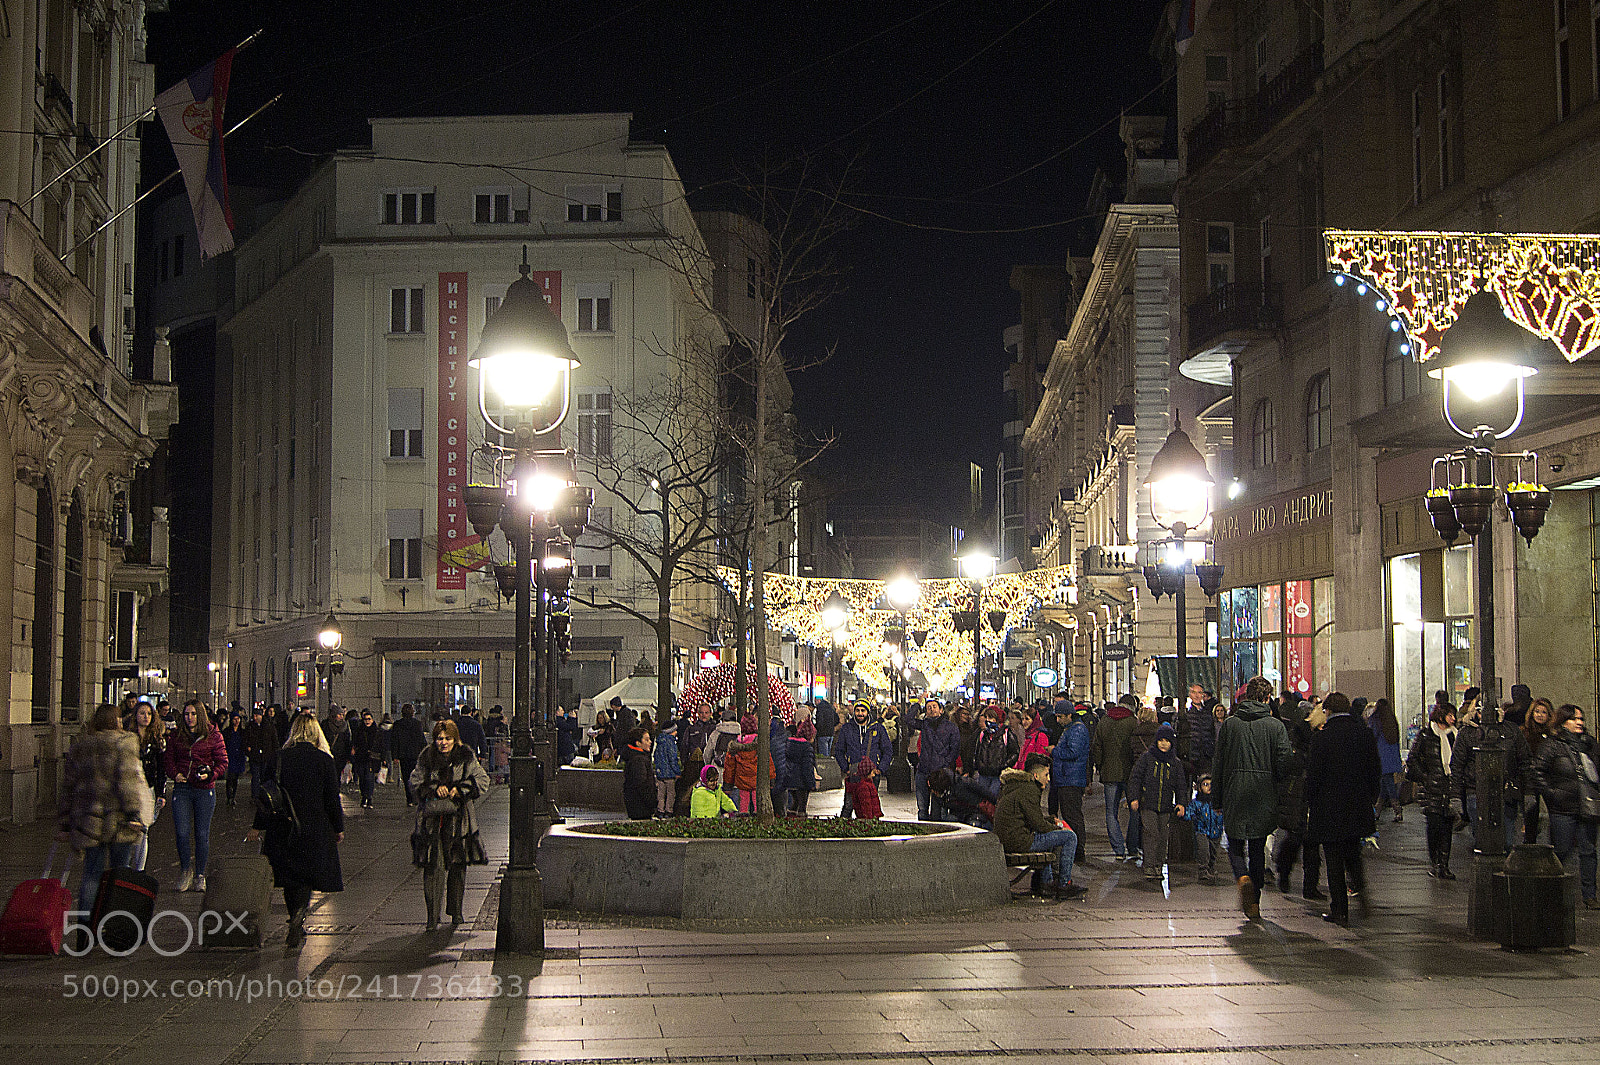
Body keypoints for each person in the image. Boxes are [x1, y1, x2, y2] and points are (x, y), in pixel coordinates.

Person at [248, 712, 344, 949]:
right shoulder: (324, 760)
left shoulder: (279, 758)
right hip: (314, 825)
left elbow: (267, 795)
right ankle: (299, 915)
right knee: (307, 875)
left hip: (283, 825)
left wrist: (258, 825)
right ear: (315, 732)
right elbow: (332, 798)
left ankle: (295, 916)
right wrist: (338, 828)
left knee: (290, 877)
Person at [59, 704, 153, 919]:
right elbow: (127, 783)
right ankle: (115, 924)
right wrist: (133, 814)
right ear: (115, 720)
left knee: (91, 875)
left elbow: (68, 787)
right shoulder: (124, 743)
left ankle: (85, 930)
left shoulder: (81, 746)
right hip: (118, 821)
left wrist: (64, 823)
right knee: (120, 874)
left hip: (88, 822)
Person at [1213, 676, 1294, 919]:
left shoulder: (1230, 724)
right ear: (1268, 698)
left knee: (1235, 844)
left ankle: (1243, 877)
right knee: (1258, 846)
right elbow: (1284, 763)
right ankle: (1254, 900)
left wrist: (1217, 798)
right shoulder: (1275, 726)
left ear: (1246, 696)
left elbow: (1219, 764)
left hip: (1234, 789)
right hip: (1263, 791)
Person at [1306, 692, 1381, 925]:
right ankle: (1362, 893)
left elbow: (1314, 776)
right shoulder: (1364, 734)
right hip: (1357, 805)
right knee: (1353, 854)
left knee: (1334, 860)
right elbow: (1374, 769)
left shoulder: (1321, 738)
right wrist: (1371, 797)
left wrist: (1311, 802)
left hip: (1329, 808)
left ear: (1327, 711)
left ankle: (1339, 909)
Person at [409, 720, 490, 930]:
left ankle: (456, 911)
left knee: (457, 867)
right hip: (432, 823)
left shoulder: (465, 756)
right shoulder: (426, 757)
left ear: (455, 739)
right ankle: (431, 917)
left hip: (459, 822)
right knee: (432, 868)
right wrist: (433, 789)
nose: (443, 743)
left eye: (447, 739)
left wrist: (460, 790)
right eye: (439, 739)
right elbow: (415, 782)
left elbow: (482, 780)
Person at [1531, 704, 1600, 909]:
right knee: (1561, 850)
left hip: (1587, 806)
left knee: (1588, 852)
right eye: (1574, 719)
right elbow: (1537, 771)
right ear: (1562, 722)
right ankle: (1551, 892)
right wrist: (1552, 795)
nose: (1579, 723)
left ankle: (1589, 895)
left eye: (1581, 719)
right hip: (1563, 808)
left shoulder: (1589, 744)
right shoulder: (1553, 745)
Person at [994, 753, 1087, 900]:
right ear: (1036, 776)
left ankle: (1046, 882)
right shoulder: (1029, 790)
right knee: (1070, 837)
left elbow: (1031, 818)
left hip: (1010, 839)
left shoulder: (1019, 786)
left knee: (1049, 838)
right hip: (1020, 841)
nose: (1049, 779)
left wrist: (1050, 820)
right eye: (1046, 774)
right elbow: (1038, 825)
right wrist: (1059, 828)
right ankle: (1064, 884)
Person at [164, 700, 228, 893]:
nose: (189, 718)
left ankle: (200, 874)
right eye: (186, 714)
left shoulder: (213, 735)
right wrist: (175, 773)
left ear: (200, 715)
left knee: (202, 834)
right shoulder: (177, 736)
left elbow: (222, 761)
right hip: (183, 788)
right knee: (182, 832)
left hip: (204, 789)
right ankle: (186, 870)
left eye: (193, 714)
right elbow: (169, 759)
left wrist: (212, 774)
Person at [1453, 699, 1530, 850]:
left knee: (1507, 841)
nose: (1485, 716)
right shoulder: (1467, 733)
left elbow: (1525, 761)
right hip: (1475, 790)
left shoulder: (1510, 730)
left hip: (1506, 791)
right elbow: (1457, 765)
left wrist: (1528, 792)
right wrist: (1456, 795)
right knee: (1483, 840)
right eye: (1481, 712)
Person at [1274, 699, 1325, 901]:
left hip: (1304, 794)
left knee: (1309, 843)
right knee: (1297, 839)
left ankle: (1306, 884)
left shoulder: (1307, 736)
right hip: (1299, 795)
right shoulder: (1304, 738)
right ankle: (1288, 874)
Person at [1128, 723, 1188, 886]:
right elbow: (1136, 778)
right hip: (1148, 803)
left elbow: (1181, 785)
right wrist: (1134, 797)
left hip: (1166, 805)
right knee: (1151, 833)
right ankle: (1149, 865)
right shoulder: (1147, 758)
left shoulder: (1175, 763)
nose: (1163, 744)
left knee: (1163, 836)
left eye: (1167, 741)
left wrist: (1182, 803)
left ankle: (1158, 865)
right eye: (1160, 740)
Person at [1405, 702, 1459, 879]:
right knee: (1434, 825)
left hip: (1449, 787)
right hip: (1431, 788)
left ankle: (1444, 865)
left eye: (1454, 715)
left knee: (1447, 826)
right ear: (1441, 715)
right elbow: (1412, 759)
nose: (1453, 718)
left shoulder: (1455, 736)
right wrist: (1425, 778)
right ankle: (1435, 863)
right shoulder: (1426, 735)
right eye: (1450, 715)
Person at [1091, 694, 1138, 860]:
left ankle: (1118, 849)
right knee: (1135, 809)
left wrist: (1100, 765)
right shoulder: (1133, 722)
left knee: (1111, 812)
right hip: (1129, 773)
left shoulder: (1104, 721)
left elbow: (1097, 746)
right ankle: (1132, 846)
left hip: (1109, 772)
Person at [1050, 702, 1092, 863]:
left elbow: (1073, 752)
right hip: (1066, 778)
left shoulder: (1077, 730)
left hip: (1071, 779)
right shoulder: (1071, 729)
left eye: (1060, 716)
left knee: (1073, 816)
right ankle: (1074, 849)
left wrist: (1054, 750)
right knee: (1069, 815)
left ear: (1069, 715)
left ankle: (1078, 850)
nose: (1058, 720)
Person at [834, 702, 892, 817]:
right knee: (848, 805)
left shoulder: (877, 728)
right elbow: (839, 751)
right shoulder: (847, 728)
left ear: (867, 712)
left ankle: (870, 828)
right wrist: (846, 768)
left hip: (871, 773)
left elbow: (887, 750)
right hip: (854, 772)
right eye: (857, 710)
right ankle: (844, 829)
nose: (860, 713)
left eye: (863, 711)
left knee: (869, 804)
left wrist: (880, 769)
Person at [128, 699, 166, 871]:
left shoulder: (156, 740)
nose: (146, 717)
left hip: (148, 788)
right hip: (131, 789)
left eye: (149, 713)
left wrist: (161, 792)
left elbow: (160, 768)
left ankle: (140, 869)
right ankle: (127, 866)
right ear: (135, 715)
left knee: (144, 831)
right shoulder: (128, 738)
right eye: (142, 713)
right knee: (130, 830)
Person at [913, 699, 961, 821]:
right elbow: (908, 719)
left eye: (934, 706)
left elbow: (955, 748)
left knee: (938, 808)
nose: (932, 709)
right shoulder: (924, 725)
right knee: (922, 808)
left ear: (940, 710)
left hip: (940, 772)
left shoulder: (951, 727)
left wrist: (944, 763)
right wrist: (917, 703)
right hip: (923, 770)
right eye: (929, 707)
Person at [1523, 699, 1555, 843]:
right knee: (1531, 813)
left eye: (1544, 712)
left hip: (1550, 778)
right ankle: (1530, 842)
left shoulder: (1554, 735)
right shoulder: (1524, 733)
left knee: (1554, 812)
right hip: (1530, 779)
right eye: (1537, 712)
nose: (1540, 715)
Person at [1182, 774, 1225, 881]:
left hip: (1216, 831)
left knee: (1213, 852)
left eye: (1211, 785)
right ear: (1200, 788)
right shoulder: (1196, 803)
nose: (1209, 787)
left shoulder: (1217, 803)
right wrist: (1183, 814)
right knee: (1203, 851)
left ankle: (1210, 867)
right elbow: (1189, 813)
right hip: (1202, 831)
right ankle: (1203, 870)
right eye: (1205, 785)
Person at [1368, 698, 1404, 823]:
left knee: (1387, 782)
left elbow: (1372, 735)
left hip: (1381, 755)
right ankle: (1378, 810)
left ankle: (1397, 810)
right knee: (1385, 783)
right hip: (1392, 755)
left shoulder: (1375, 720)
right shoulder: (1392, 720)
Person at [389, 704, 428, 807]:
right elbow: (422, 740)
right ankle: (415, 797)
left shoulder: (398, 724)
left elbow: (394, 741)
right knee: (416, 775)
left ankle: (409, 798)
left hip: (403, 755)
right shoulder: (417, 724)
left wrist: (395, 756)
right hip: (415, 754)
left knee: (406, 777)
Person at [349, 709, 387, 809]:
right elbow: (354, 742)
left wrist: (383, 758)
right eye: (365, 719)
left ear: (372, 720)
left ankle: (369, 798)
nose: (367, 721)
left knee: (369, 778)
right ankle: (364, 796)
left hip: (372, 758)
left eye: (369, 719)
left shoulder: (377, 731)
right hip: (361, 757)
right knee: (362, 778)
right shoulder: (359, 731)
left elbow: (382, 746)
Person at [243, 704, 279, 799]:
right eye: (254, 716)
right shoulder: (250, 727)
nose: (255, 718)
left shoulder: (269, 726)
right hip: (254, 756)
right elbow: (245, 740)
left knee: (264, 777)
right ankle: (255, 796)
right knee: (255, 777)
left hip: (266, 756)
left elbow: (274, 741)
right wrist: (248, 750)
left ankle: (263, 795)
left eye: (256, 716)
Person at [783, 718, 818, 816]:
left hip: (789, 779)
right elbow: (807, 767)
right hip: (802, 783)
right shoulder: (806, 747)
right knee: (802, 807)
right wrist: (812, 784)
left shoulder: (789, 743)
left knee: (794, 805)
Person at [621, 728, 655, 821]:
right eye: (646, 740)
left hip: (637, 805)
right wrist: (651, 801)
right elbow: (641, 784)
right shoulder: (639, 760)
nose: (650, 742)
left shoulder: (637, 757)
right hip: (640, 806)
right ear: (638, 743)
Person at [1184, 684, 1216, 776]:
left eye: (1199, 692)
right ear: (1190, 694)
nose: (1197, 695)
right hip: (1191, 756)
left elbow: (1212, 733)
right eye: (1194, 692)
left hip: (1206, 756)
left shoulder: (1208, 714)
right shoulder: (1186, 714)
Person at [653, 719, 682, 817]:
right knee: (670, 793)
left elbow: (656, 757)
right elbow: (672, 759)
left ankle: (660, 810)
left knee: (661, 793)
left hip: (660, 773)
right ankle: (668, 810)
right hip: (669, 774)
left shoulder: (659, 742)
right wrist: (677, 771)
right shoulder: (671, 743)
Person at [220, 712, 246, 807]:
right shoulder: (227, 732)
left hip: (239, 756)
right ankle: (229, 796)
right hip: (230, 756)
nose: (236, 721)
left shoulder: (242, 732)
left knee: (235, 778)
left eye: (238, 719)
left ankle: (233, 796)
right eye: (234, 719)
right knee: (230, 777)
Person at [321, 706, 351, 783]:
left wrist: (348, 755)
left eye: (342, 714)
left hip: (341, 755)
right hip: (328, 753)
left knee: (337, 775)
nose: (341, 716)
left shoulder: (344, 725)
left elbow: (347, 740)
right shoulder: (325, 724)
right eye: (339, 714)